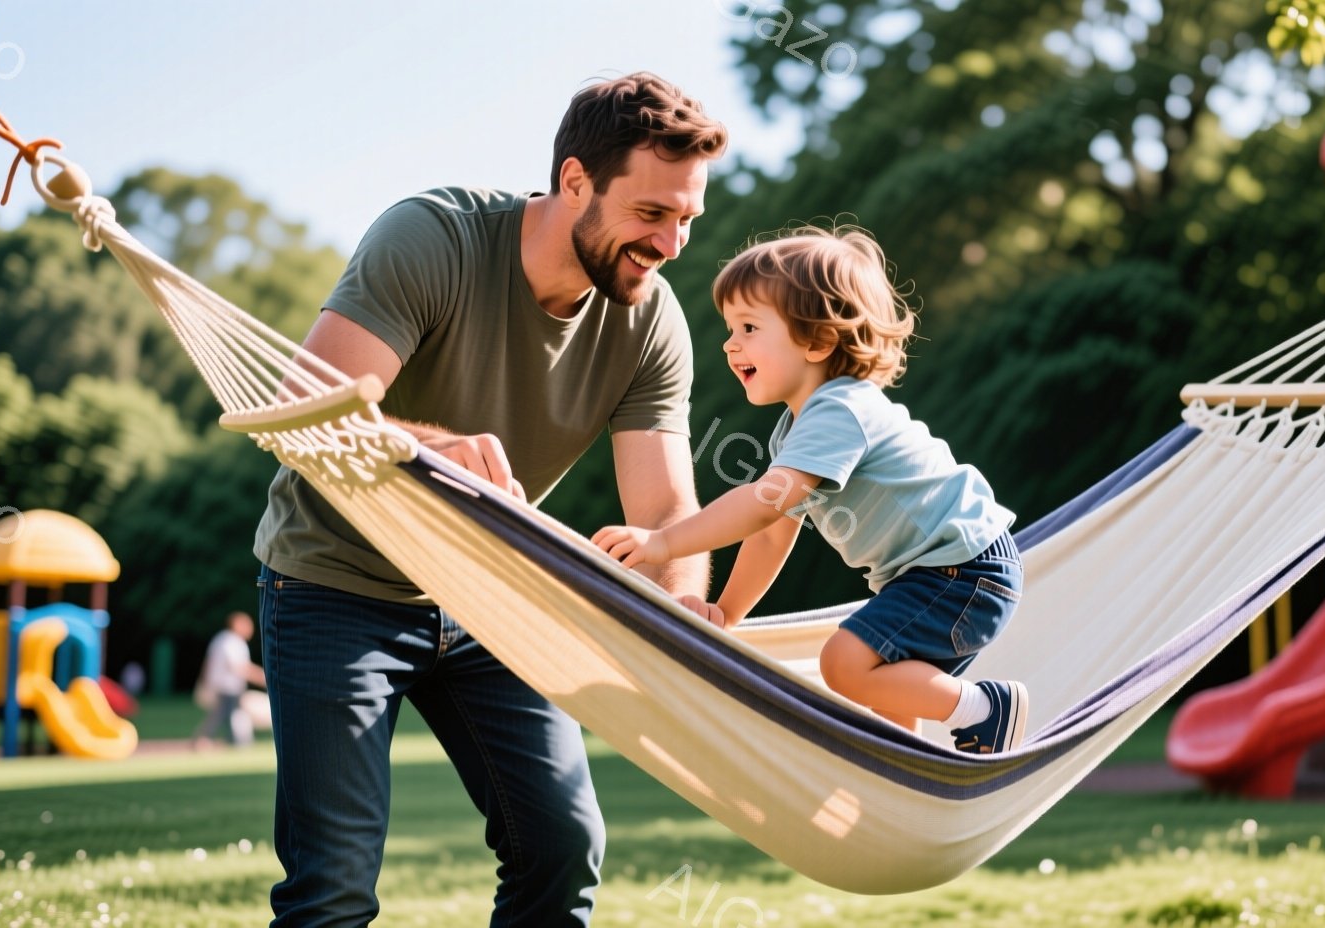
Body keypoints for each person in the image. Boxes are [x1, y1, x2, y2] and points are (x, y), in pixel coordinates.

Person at [252, 73, 725, 926]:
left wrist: (689, 628)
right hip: (334, 584)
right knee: (334, 887)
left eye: (687, 218)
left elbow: (666, 517)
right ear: (575, 180)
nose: (672, 243)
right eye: (653, 213)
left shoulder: (649, 322)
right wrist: (435, 453)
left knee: (561, 848)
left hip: (486, 598)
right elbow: (301, 416)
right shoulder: (433, 239)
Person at [593, 225, 1028, 755]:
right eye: (729, 328)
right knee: (887, 698)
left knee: (844, 663)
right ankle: (910, 777)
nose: (731, 344)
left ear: (818, 341)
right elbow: (774, 533)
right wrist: (728, 612)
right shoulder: (797, 430)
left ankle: (985, 709)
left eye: (749, 327)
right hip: (941, 574)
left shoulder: (840, 409)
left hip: (962, 571)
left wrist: (663, 544)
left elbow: (760, 505)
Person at [193, 611, 267, 749]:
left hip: (220, 685)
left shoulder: (222, 639)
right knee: (226, 712)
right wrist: (262, 677)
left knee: (225, 712)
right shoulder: (231, 641)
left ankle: (226, 739)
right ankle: (211, 739)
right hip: (226, 686)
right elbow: (239, 666)